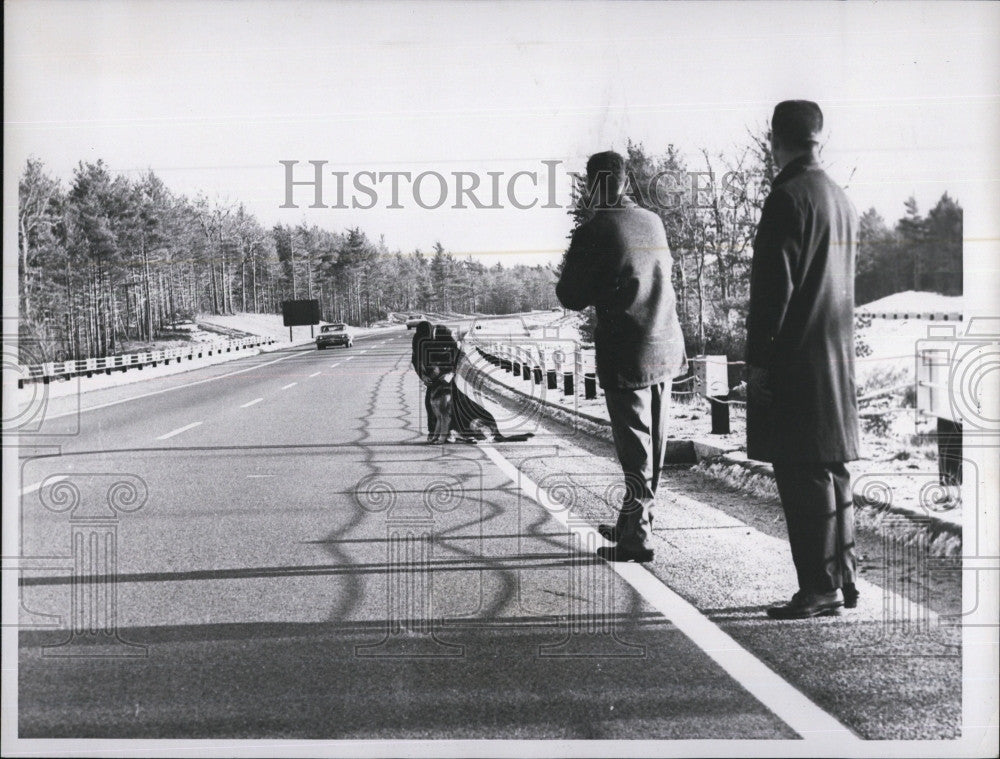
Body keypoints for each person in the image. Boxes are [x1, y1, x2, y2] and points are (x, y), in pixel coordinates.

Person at [746, 100, 861, 619]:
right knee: (832, 472)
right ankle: (843, 578)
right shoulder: (839, 198)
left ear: (775, 140)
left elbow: (774, 292)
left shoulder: (787, 197)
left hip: (797, 358)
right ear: (821, 137)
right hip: (836, 357)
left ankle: (818, 588)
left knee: (800, 473)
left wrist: (758, 363)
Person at [556, 151, 686, 562]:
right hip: (666, 345)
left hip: (627, 349)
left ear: (592, 186)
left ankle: (637, 535)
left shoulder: (595, 230)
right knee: (656, 442)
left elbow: (570, 296)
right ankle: (635, 519)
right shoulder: (652, 221)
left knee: (635, 447)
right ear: (626, 182)